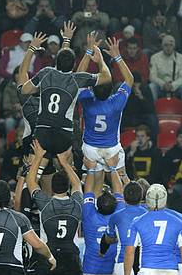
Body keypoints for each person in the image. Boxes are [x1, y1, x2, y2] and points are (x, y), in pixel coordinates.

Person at [26, 141, 83, 275]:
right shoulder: (76, 204)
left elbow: (31, 182)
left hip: (47, 258)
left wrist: (39, 155)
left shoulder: (46, 204)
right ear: (67, 187)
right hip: (70, 256)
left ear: (53, 189)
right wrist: (64, 162)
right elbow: (78, 185)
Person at [19, 24, 111, 158]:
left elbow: (24, 85)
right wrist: (95, 55)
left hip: (42, 133)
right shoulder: (74, 79)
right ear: (73, 64)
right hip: (64, 134)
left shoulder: (45, 74)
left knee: (34, 168)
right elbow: (106, 77)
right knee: (66, 167)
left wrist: (32, 48)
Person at [77, 35, 133, 188]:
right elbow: (129, 80)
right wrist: (117, 57)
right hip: (112, 149)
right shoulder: (116, 102)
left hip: (90, 149)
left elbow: (78, 77)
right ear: (112, 89)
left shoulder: (87, 99)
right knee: (123, 184)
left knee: (95, 189)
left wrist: (89, 52)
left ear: (93, 88)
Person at [149, 34, 182, 101]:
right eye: (166, 45)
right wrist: (163, 84)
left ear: (174, 46)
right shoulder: (154, 57)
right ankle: (152, 110)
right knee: (151, 87)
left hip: (176, 86)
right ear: (162, 46)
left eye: (170, 45)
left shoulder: (181, 58)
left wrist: (173, 85)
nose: (168, 48)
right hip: (160, 86)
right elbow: (152, 76)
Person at [121, 74, 158, 141]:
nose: (135, 86)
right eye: (133, 84)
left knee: (152, 119)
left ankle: (153, 143)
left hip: (142, 117)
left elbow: (150, 109)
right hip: (129, 117)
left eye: (137, 84)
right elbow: (123, 108)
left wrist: (141, 97)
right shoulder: (124, 90)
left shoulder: (146, 89)